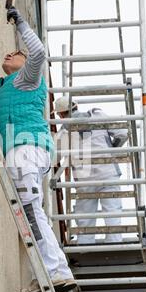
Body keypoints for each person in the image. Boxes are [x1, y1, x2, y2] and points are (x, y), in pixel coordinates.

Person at [0, 7, 76, 292]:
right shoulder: (6, 90)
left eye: (15, 52)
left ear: (25, 63)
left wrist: (21, 23)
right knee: (28, 210)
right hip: (19, 150)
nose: (8, 55)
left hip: (27, 148)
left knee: (30, 207)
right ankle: (48, 271)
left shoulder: (28, 78)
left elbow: (38, 53)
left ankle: (56, 270)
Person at [54, 96, 128, 244]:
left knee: (85, 217)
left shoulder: (64, 132)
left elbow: (54, 157)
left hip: (85, 178)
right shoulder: (97, 116)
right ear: (76, 106)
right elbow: (123, 134)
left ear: (61, 114)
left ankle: (85, 247)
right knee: (113, 213)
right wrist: (111, 150)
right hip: (108, 173)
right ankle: (115, 245)